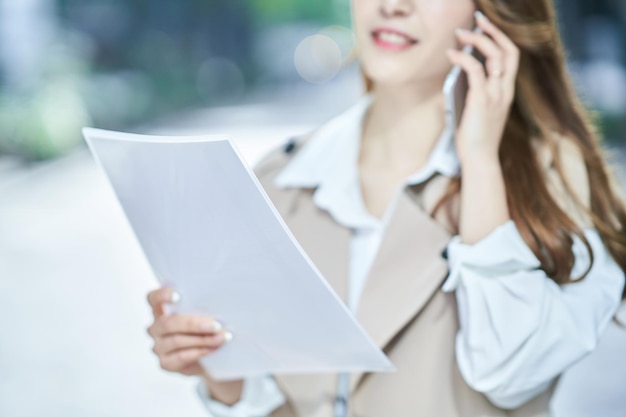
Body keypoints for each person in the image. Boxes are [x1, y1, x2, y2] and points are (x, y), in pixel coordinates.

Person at [145, 0, 626, 416]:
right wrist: (215, 367)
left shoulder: (550, 176)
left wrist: (480, 161)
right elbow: (270, 395)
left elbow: (509, 371)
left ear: (490, 13)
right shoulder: (282, 178)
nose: (394, 4)